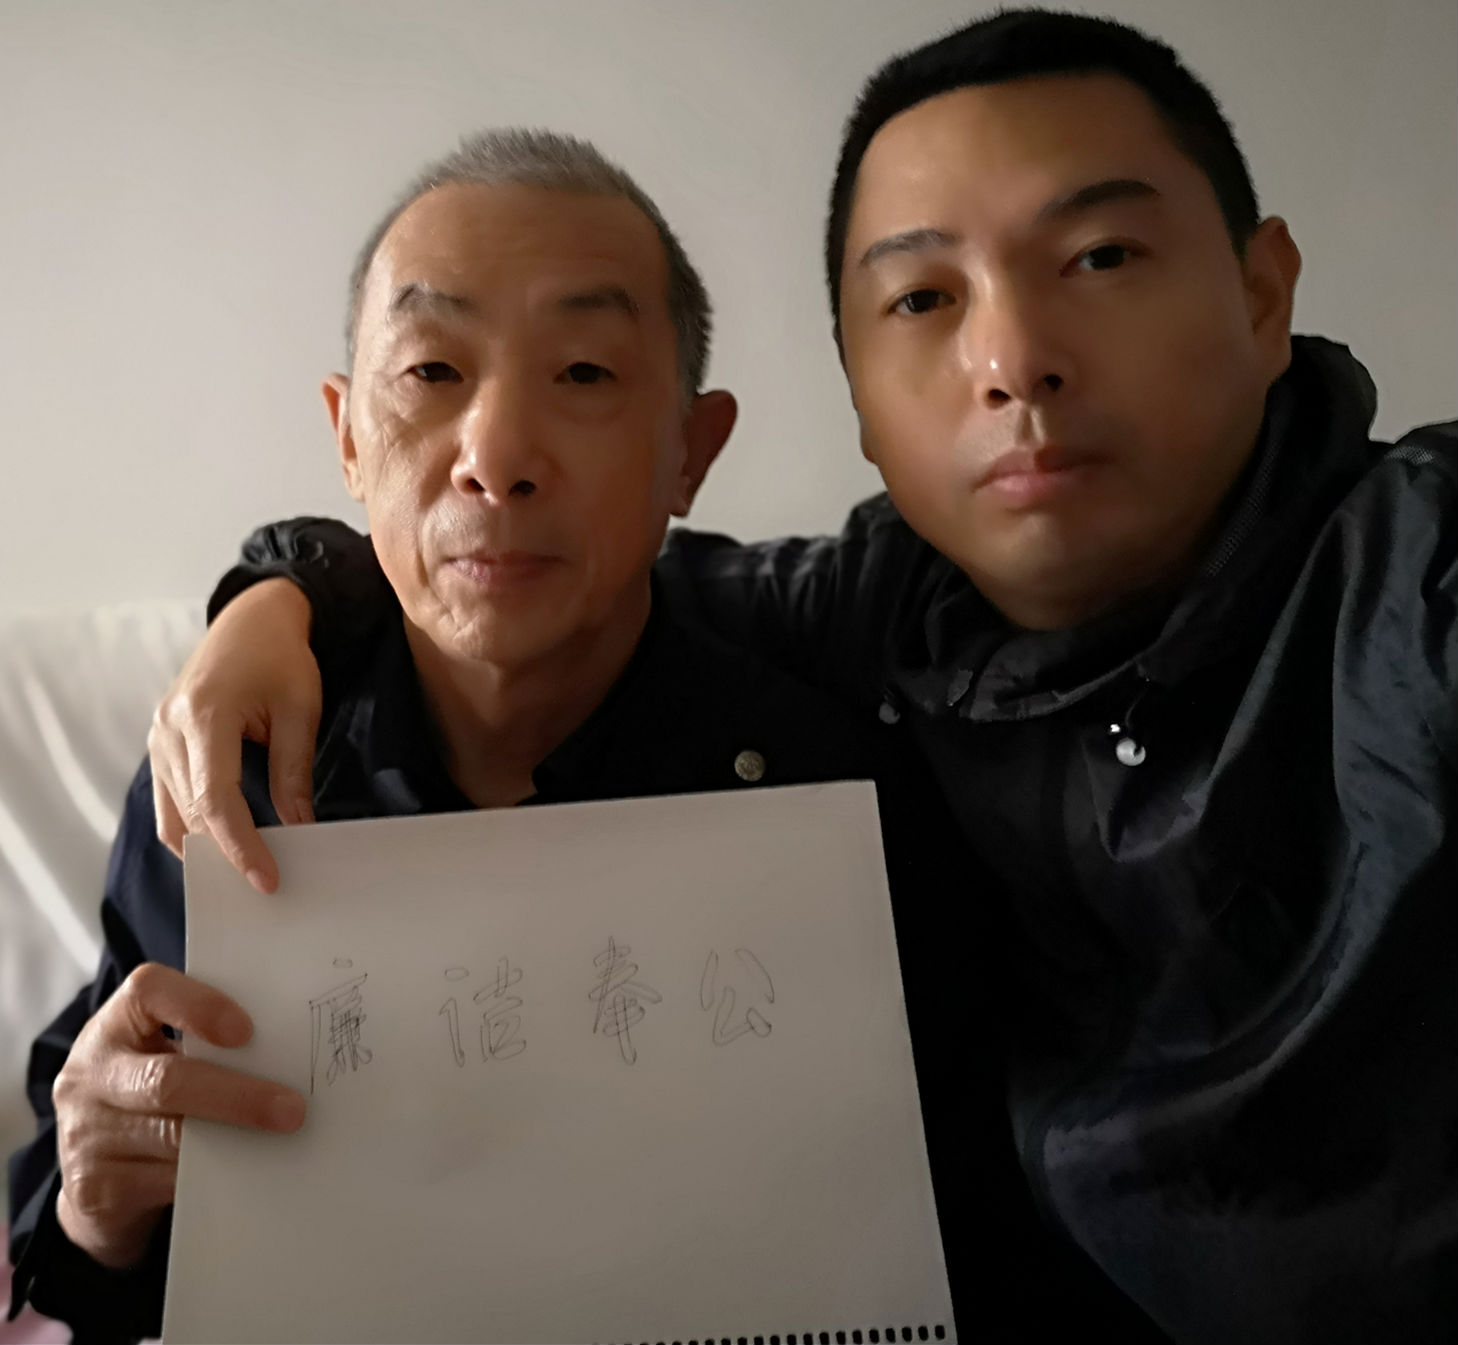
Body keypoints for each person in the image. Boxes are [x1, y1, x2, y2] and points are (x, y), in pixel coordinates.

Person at [132, 9, 1458, 1343]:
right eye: (924, 299)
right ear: (860, 393)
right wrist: (273, 594)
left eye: (1100, 256)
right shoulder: (890, 609)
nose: (1013, 361)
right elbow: (526, 581)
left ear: (1262, 292)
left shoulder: (1417, 583)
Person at [8, 128, 1044, 1343]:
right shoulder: (227, 764)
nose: (495, 458)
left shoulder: (830, 781)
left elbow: (959, 1234)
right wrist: (94, 1215)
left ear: (691, 452)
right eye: (432, 371)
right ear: (348, 438)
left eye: (586, 373)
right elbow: (92, 1205)